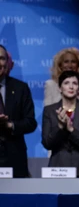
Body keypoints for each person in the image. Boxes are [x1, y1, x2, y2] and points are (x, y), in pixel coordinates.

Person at [41, 70, 79, 177]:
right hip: (58, 168)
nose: (71, 87)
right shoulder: (49, 111)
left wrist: (72, 130)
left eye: (75, 83)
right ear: (60, 88)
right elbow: (46, 143)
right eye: (66, 83)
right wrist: (60, 127)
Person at [0, 45, 37, 177]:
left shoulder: (21, 88)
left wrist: (10, 125)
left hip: (15, 157)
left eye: (1, 58)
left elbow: (31, 122)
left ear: (7, 62)